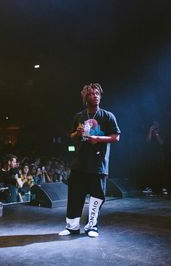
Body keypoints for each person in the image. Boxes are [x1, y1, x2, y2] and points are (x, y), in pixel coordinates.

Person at [59, 83, 121, 238]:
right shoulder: (79, 116)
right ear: (85, 97)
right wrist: (77, 133)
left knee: (97, 196)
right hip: (80, 162)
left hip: (98, 164)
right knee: (75, 195)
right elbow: (72, 137)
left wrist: (98, 139)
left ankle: (92, 226)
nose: (96, 96)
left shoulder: (107, 116)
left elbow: (116, 137)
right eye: (92, 94)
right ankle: (72, 226)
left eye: (97, 93)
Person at [143, 120, 168, 196]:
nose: (154, 125)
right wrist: (150, 131)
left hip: (159, 154)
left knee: (161, 171)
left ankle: (164, 188)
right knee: (151, 171)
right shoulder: (150, 131)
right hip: (151, 154)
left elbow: (161, 142)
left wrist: (157, 134)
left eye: (156, 123)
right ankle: (150, 188)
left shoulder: (162, 132)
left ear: (159, 124)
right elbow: (147, 140)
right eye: (153, 123)